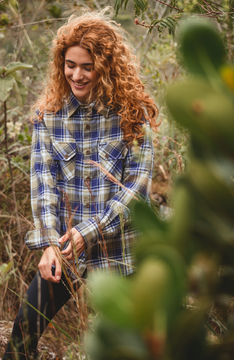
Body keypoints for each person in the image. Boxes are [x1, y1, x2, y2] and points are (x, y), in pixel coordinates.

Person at [3, 7, 158, 360]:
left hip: (123, 254)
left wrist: (87, 231)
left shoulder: (133, 113)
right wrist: (48, 243)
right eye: (70, 65)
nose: (77, 74)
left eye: (87, 66)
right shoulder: (49, 115)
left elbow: (136, 191)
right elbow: (42, 183)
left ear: (106, 66)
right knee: (23, 334)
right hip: (65, 251)